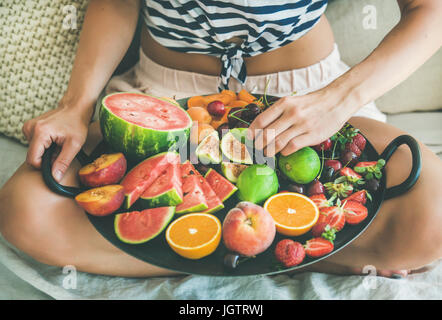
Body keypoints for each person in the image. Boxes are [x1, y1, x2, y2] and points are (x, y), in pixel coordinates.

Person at [0, 0, 441, 278]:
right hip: (162, 95)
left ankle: (188, 253)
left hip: (308, 98)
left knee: (435, 216)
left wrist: (339, 99)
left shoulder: (325, 101)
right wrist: (76, 106)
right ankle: (279, 258)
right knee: (25, 210)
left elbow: (429, 8)